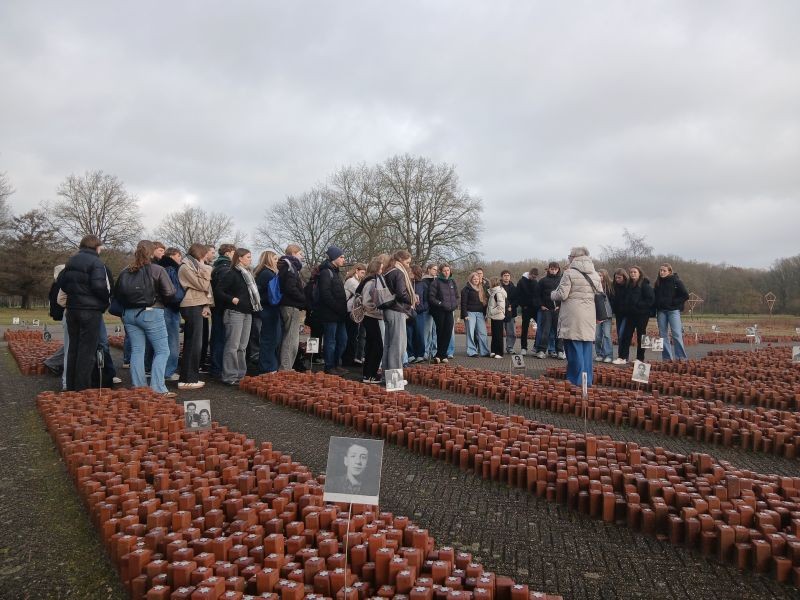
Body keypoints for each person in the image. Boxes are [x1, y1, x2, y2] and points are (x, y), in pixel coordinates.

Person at [119, 240, 176, 396]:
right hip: (151, 312)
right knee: (163, 350)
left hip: (129, 314)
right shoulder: (157, 269)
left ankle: (139, 387)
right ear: (151, 253)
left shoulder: (126, 271)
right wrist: (161, 302)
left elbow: (118, 293)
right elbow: (170, 292)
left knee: (137, 350)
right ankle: (157, 388)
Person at [60, 235, 111, 391]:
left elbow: (62, 283)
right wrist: (104, 302)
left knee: (73, 349)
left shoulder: (71, 261)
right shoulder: (96, 262)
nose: (101, 250)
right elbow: (99, 287)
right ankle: (82, 389)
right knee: (87, 352)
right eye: (100, 247)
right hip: (90, 311)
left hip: (72, 309)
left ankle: (70, 386)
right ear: (95, 246)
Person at [551, 247, 602, 387]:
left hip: (573, 314)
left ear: (574, 257)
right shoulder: (595, 274)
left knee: (573, 347)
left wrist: (552, 294)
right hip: (589, 314)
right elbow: (600, 294)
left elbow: (562, 294)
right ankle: (587, 380)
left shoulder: (569, 273)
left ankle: (575, 380)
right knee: (586, 347)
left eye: (569, 256)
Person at [218, 248, 260, 385]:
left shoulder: (248, 274)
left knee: (242, 346)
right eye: (248, 257)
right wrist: (232, 299)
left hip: (248, 313)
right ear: (240, 258)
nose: (250, 259)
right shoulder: (232, 273)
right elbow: (218, 291)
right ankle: (229, 376)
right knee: (233, 345)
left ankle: (241, 375)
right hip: (234, 312)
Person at [179, 243, 214, 389]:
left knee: (196, 343)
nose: (207, 256)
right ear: (200, 253)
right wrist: (206, 267)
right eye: (205, 253)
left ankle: (190, 377)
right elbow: (203, 285)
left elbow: (206, 288)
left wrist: (206, 305)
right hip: (190, 305)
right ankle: (188, 379)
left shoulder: (194, 266)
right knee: (193, 343)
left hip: (198, 304)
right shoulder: (186, 267)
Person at [314, 247, 348, 375]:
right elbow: (325, 294)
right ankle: (329, 366)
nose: (343, 259)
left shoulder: (336, 272)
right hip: (330, 314)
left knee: (343, 340)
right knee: (330, 341)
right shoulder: (326, 272)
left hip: (339, 314)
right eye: (341, 257)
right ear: (334, 258)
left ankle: (336, 363)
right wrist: (337, 307)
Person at [383, 250, 416, 374]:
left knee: (388, 345)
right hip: (397, 310)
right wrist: (412, 299)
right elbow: (401, 293)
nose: (408, 265)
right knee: (398, 346)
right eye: (407, 262)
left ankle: (386, 377)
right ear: (401, 260)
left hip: (388, 310)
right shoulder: (398, 273)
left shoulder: (388, 271)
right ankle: (394, 380)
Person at [613, 266, 655, 365]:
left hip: (642, 315)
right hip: (630, 315)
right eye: (631, 272)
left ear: (639, 273)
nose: (632, 274)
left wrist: (638, 305)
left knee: (641, 336)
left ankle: (640, 358)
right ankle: (622, 357)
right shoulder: (629, 285)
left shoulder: (645, 285)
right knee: (626, 336)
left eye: (635, 272)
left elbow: (650, 300)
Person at [357, 255, 387, 383]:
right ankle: (371, 375)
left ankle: (368, 374)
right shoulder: (372, 282)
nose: (382, 271)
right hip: (371, 317)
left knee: (371, 346)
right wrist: (378, 311)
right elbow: (368, 302)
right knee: (377, 347)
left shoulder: (368, 280)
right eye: (380, 269)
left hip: (371, 317)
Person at [277, 244, 306, 371]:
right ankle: (286, 368)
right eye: (300, 253)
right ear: (293, 253)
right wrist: (303, 299)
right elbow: (290, 288)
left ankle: (287, 366)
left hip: (289, 304)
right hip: (291, 305)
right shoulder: (290, 267)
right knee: (291, 338)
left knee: (290, 337)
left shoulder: (287, 266)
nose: (302, 256)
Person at [653, 263, 690, 361]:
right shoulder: (657, 283)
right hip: (661, 312)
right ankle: (667, 358)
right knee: (662, 335)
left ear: (669, 271)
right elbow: (654, 297)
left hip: (673, 311)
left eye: (664, 270)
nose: (661, 272)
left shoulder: (676, 281)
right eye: (660, 270)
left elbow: (685, 295)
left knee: (676, 334)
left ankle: (681, 357)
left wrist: (674, 303)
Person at [254, 250, 283, 373]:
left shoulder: (264, 273)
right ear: (269, 260)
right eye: (275, 259)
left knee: (272, 338)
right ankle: (267, 367)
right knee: (270, 339)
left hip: (268, 308)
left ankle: (269, 365)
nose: (277, 262)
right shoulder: (267, 274)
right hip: (268, 309)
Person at [159, 247, 185, 382]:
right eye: (179, 256)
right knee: (172, 341)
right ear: (174, 255)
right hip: (170, 308)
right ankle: (168, 372)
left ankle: (159, 370)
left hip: (159, 307)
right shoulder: (171, 269)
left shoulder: (158, 266)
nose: (180, 259)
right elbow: (174, 292)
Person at [210, 244, 236, 378]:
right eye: (234, 252)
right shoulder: (225, 269)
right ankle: (217, 368)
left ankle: (216, 366)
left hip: (217, 307)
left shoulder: (217, 267)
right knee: (221, 338)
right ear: (228, 253)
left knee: (217, 337)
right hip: (223, 307)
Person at [428, 264, 458, 363]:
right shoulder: (436, 282)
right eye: (444, 270)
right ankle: (438, 355)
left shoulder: (452, 281)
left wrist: (454, 305)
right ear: (440, 271)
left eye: (448, 270)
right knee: (440, 332)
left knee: (448, 332)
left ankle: (443, 354)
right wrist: (440, 303)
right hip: (439, 310)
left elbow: (456, 296)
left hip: (449, 310)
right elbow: (431, 297)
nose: (446, 272)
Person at [534, 262, 565, 360]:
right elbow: (537, 296)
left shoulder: (562, 280)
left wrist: (560, 306)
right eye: (552, 269)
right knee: (545, 331)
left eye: (555, 269)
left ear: (558, 269)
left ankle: (560, 351)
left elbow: (564, 295)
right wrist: (541, 305)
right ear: (548, 269)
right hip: (546, 310)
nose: (554, 271)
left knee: (558, 331)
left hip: (558, 310)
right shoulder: (542, 281)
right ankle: (542, 351)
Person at [461, 272, 490, 357]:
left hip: (480, 313)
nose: (476, 280)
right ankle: (472, 351)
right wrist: (465, 314)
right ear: (471, 279)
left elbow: (484, 303)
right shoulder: (466, 289)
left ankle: (484, 351)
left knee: (483, 333)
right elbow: (463, 303)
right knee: (470, 333)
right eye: (474, 279)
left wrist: (485, 314)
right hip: (470, 313)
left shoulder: (482, 289)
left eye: (477, 279)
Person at [343, 263, 366, 366]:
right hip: (350, 311)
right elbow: (361, 293)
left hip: (351, 311)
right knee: (351, 336)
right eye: (362, 272)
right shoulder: (352, 281)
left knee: (352, 335)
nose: (363, 275)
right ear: (356, 270)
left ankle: (350, 357)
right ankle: (348, 359)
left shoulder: (353, 280)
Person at [516, 268, 539, 356]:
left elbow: (538, 294)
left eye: (535, 277)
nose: (534, 278)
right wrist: (523, 305)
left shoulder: (536, 282)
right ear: (529, 274)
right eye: (533, 277)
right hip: (526, 309)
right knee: (525, 328)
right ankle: (523, 348)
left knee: (539, 327)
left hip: (535, 309)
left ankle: (536, 346)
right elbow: (518, 295)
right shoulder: (521, 282)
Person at [594, 269, 615, 363]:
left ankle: (608, 355)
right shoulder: (593, 286)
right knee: (597, 336)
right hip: (596, 315)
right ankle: (599, 354)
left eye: (601, 275)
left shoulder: (610, 287)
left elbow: (613, 301)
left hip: (607, 315)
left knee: (606, 335)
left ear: (605, 276)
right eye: (598, 275)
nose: (599, 277)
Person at [409, 265, 428, 363]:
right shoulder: (407, 283)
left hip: (419, 313)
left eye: (411, 271)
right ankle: (410, 354)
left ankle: (420, 354)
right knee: (409, 333)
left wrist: (422, 307)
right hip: (408, 312)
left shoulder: (423, 284)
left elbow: (426, 299)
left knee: (419, 333)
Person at [422, 264, 439, 360]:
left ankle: (434, 351)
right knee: (427, 331)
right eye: (433, 269)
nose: (435, 271)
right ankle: (425, 351)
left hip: (436, 309)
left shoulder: (437, 280)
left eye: (436, 270)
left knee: (435, 331)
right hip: (428, 308)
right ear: (428, 270)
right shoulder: (424, 280)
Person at [610, 269, 629, 356]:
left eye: (619, 278)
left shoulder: (628, 286)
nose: (617, 279)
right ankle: (620, 355)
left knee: (622, 334)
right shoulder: (614, 286)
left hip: (627, 314)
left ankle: (623, 356)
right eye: (616, 278)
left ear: (624, 277)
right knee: (619, 335)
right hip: (618, 314)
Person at [487, 277, 507, 359]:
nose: (489, 284)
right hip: (494, 317)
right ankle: (493, 351)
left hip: (498, 317)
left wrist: (491, 311)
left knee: (498, 335)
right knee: (494, 335)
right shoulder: (493, 292)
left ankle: (499, 352)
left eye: (490, 282)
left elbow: (501, 306)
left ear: (493, 283)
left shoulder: (498, 293)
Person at [500, 270, 517, 354]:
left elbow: (517, 300)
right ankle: (499, 348)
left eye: (508, 275)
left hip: (511, 313)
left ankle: (510, 347)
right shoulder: (498, 287)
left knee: (511, 332)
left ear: (510, 277)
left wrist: (511, 306)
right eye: (505, 275)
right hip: (500, 312)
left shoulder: (514, 287)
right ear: (502, 277)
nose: (506, 277)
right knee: (499, 332)